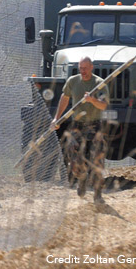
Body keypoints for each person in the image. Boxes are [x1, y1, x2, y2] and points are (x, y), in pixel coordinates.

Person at [51, 57, 108, 203]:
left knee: (97, 160)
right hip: (77, 125)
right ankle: (82, 179)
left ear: (91, 67)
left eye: (85, 68)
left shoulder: (99, 83)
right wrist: (56, 118)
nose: (82, 71)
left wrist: (92, 100)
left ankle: (97, 194)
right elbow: (64, 98)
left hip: (95, 126)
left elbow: (103, 106)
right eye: (80, 68)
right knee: (75, 159)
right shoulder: (73, 81)